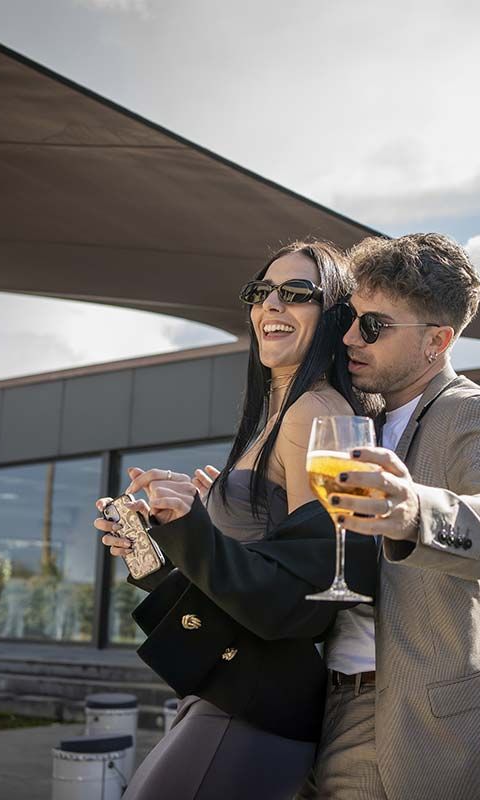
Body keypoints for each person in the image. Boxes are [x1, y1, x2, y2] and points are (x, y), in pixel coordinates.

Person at [94, 241, 379, 800]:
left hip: (259, 703)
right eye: (261, 292)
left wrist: (194, 527)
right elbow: (252, 577)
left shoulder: (316, 413)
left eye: (296, 293)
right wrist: (157, 553)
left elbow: (314, 595)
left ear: (335, 315)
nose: (271, 305)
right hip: (229, 688)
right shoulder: (272, 416)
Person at [310, 233, 480, 799]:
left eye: (373, 325)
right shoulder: (349, 414)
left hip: (412, 722)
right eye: (350, 317)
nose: (349, 336)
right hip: (320, 703)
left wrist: (416, 510)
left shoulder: (477, 414)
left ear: (436, 341)